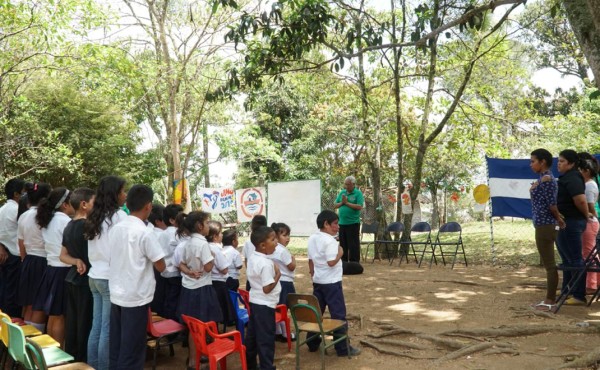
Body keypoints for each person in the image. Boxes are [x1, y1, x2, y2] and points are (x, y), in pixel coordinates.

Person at [108, 185, 165, 369]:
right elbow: (161, 265)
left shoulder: (116, 228)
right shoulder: (145, 232)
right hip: (136, 297)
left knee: (117, 344)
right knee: (132, 350)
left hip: (117, 293)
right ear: (148, 206)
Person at [84, 176, 127, 370]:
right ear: (115, 194)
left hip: (95, 276)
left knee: (97, 326)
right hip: (110, 278)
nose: (125, 195)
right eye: (122, 191)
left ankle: (93, 366)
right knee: (107, 329)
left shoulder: (94, 215)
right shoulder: (119, 217)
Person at [307, 210, 360, 357]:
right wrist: (341, 253)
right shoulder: (330, 241)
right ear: (326, 224)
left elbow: (310, 260)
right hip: (331, 283)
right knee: (338, 314)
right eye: (335, 224)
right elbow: (331, 262)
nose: (338, 227)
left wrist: (313, 276)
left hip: (318, 281)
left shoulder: (312, 238)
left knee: (316, 312)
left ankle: (312, 343)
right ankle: (342, 348)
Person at [176, 211, 222, 370]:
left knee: (192, 327)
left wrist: (189, 272)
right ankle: (197, 360)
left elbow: (180, 264)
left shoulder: (187, 242)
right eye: (207, 222)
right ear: (200, 226)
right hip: (201, 289)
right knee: (202, 326)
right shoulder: (202, 244)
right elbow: (208, 267)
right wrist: (213, 256)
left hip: (188, 288)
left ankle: (193, 359)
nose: (209, 225)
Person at [35, 187, 75, 345]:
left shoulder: (49, 220)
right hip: (62, 271)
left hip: (51, 269)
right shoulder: (65, 221)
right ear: (65, 205)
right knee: (60, 315)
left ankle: (51, 353)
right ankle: (57, 357)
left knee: (53, 315)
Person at [60, 187, 95, 361]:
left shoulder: (69, 225)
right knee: (85, 323)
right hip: (85, 281)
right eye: (93, 202)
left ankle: (72, 358)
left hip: (72, 278)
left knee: (73, 323)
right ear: (84, 205)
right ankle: (83, 360)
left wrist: (75, 261)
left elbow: (63, 255)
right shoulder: (88, 226)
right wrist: (79, 261)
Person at [529, 149, 562, 311]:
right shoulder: (542, 179)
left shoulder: (547, 179)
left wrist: (559, 218)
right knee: (549, 263)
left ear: (542, 162)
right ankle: (552, 297)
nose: (531, 164)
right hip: (542, 223)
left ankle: (550, 300)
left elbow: (552, 204)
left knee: (549, 264)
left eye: (533, 161)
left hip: (546, 224)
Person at [556, 149, 589, 305]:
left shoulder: (574, 178)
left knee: (575, 259)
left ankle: (578, 295)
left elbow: (581, 201)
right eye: (558, 161)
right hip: (564, 222)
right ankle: (566, 290)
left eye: (562, 161)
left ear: (572, 163)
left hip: (573, 222)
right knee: (567, 259)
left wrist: (585, 215)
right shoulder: (566, 177)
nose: (559, 164)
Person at [17, 182, 51, 331]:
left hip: (29, 260)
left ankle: (25, 343)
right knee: (40, 306)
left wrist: (25, 261)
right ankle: (35, 344)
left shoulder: (24, 216)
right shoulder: (46, 215)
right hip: (43, 261)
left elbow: (21, 243)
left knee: (29, 304)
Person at [245, 226, 281, 370]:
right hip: (265, 305)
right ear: (263, 245)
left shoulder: (253, 257)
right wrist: (278, 274)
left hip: (255, 301)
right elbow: (267, 289)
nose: (277, 242)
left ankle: (251, 365)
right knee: (266, 338)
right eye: (273, 239)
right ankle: (267, 366)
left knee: (253, 337)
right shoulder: (265, 263)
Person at [0, 178, 26, 318]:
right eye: (23, 192)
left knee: (4, 291)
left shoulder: (2, 209)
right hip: (16, 256)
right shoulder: (17, 210)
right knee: (13, 294)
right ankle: (10, 327)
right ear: (16, 194)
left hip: (5, 254)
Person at [156, 203, 184, 320]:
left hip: (165, 272)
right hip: (176, 272)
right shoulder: (177, 234)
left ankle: (169, 322)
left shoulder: (162, 234)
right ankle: (175, 325)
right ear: (172, 220)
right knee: (176, 300)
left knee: (169, 298)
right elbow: (180, 255)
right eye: (181, 217)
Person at [270, 222, 296, 342]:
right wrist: (294, 260)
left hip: (276, 282)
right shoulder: (283, 251)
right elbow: (291, 267)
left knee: (277, 307)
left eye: (288, 235)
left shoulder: (271, 249)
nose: (288, 238)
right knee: (284, 308)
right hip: (285, 283)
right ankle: (286, 334)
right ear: (275, 236)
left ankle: (278, 331)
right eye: (284, 235)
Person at [578, 154, 600, 294]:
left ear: (586, 171)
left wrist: (589, 216)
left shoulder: (589, 185)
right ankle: (595, 282)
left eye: (580, 169)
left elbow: (591, 208)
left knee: (589, 254)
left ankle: (591, 285)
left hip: (590, 222)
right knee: (591, 252)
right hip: (589, 222)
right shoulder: (587, 184)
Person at [206, 220, 232, 328]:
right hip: (219, 283)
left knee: (212, 309)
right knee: (220, 309)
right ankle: (218, 332)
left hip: (209, 281)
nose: (222, 235)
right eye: (221, 233)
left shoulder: (205, 246)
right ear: (215, 236)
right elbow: (224, 269)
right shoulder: (216, 249)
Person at [333, 176, 364, 262]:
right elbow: (335, 205)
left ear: (353, 184)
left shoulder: (358, 193)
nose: (346, 186)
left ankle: (354, 262)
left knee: (353, 244)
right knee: (343, 244)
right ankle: (343, 261)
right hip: (342, 223)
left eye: (348, 184)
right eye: (345, 184)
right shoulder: (342, 192)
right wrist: (342, 203)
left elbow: (359, 206)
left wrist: (346, 203)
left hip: (353, 223)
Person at [243, 215, 268, 290]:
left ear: (252, 226)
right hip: (265, 277)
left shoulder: (248, 242)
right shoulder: (268, 242)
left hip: (252, 277)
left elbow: (246, 260)